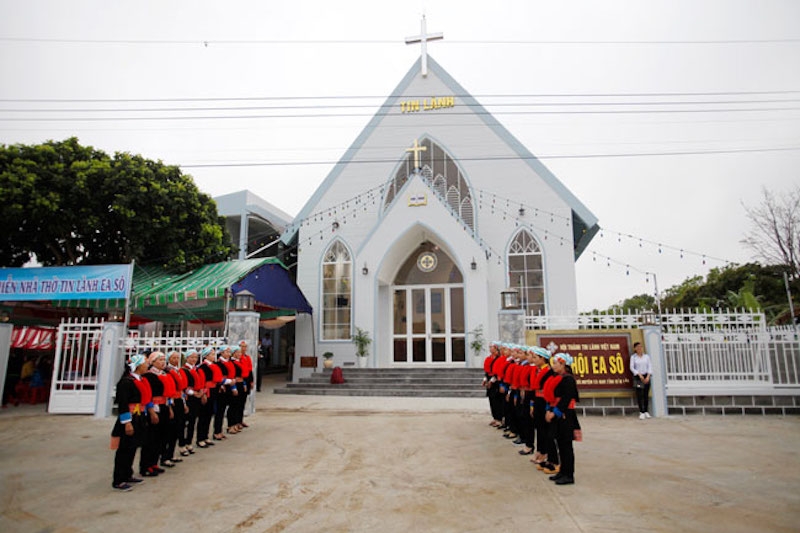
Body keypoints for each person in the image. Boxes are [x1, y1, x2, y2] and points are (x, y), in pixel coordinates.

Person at [110, 354, 150, 491]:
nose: (147, 366)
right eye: (145, 363)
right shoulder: (126, 382)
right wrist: (127, 422)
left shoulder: (140, 379)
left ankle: (128, 474)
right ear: (138, 365)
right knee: (124, 449)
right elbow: (123, 403)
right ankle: (118, 479)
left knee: (133, 447)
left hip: (139, 416)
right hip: (130, 418)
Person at [545, 352, 581, 486]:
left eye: (556, 363)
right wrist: (548, 410)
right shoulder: (557, 377)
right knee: (560, 443)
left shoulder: (568, 379)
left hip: (565, 415)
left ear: (563, 364)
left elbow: (566, 399)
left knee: (566, 445)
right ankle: (562, 471)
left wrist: (555, 412)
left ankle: (569, 474)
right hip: (557, 413)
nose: (553, 366)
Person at [630, 342, 653, 419]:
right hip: (638, 377)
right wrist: (638, 374)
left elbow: (649, 366)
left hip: (646, 376)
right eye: (638, 347)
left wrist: (648, 376)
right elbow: (632, 368)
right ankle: (641, 412)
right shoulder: (633, 357)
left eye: (641, 347)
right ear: (635, 349)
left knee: (646, 394)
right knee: (639, 395)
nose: (640, 348)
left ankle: (646, 411)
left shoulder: (646, 357)